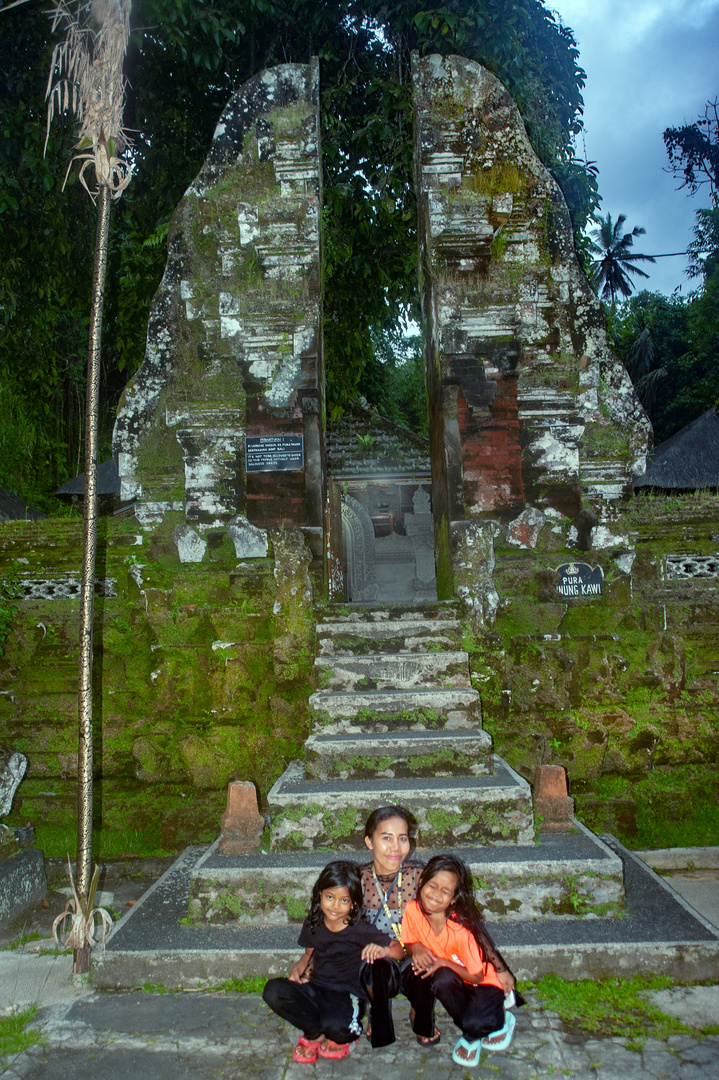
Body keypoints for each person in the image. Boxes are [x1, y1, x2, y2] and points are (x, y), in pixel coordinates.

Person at [262, 860, 403, 1063]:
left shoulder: (359, 928)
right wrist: (298, 970)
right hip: (317, 988)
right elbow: (308, 953)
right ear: (320, 894)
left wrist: (383, 950)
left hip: (347, 995)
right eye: (330, 897)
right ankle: (313, 1033)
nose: (335, 906)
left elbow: (399, 950)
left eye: (344, 901)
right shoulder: (314, 922)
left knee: (338, 1027)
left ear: (354, 903)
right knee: (273, 991)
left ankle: (342, 1036)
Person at [400, 854, 521, 1068]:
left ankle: (500, 1015)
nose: (436, 894)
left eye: (445, 891)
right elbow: (409, 940)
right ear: (421, 884)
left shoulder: (460, 929)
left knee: (475, 1024)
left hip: (482, 983)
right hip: (456, 981)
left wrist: (443, 962)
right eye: (432, 885)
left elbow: (477, 975)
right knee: (439, 979)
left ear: (454, 899)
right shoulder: (412, 910)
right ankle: (471, 1026)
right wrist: (417, 947)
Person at [359, 805, 425, 1048]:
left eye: (402, 838)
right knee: (375, 968)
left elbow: (445, 917)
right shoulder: (358, 879)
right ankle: (378, 1013)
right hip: (379, 953)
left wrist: (417, 945)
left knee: (424, 970)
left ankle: (421, 1012)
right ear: (369, 841)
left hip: (412, 949)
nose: (395, 847)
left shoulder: (419, 875)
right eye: (386, 838)